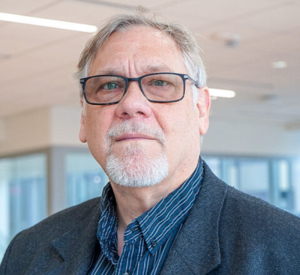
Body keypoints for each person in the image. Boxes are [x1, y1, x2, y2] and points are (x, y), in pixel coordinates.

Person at [1, 12, 300, 275]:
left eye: (160, 82)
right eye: (109, 85)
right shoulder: (27, 251)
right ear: (83, 119)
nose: (131, 104)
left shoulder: (288, 249)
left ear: (201, 110)